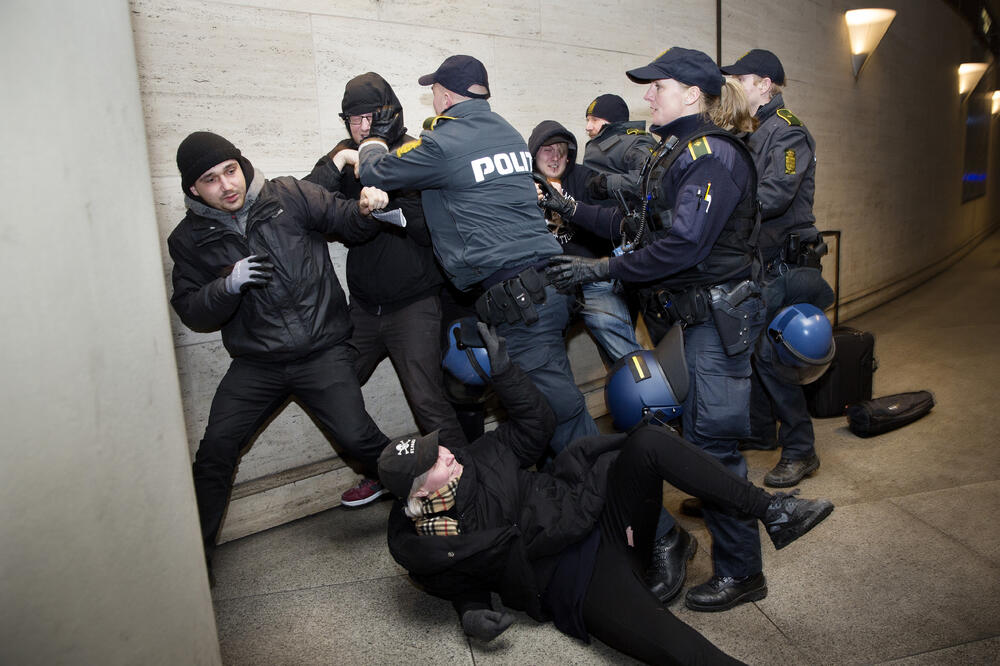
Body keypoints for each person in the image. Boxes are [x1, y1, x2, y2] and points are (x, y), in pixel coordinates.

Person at [379, 322, 834, 665]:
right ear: (419, 490)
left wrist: (505, 373)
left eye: (437, 447)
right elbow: (461, 576)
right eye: (434, 461)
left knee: (648, 442)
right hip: (573, 577)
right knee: (672, 644)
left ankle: (774, 510)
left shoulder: (481, 456)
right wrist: (471, 613)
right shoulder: (432, 540)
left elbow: (537, 424)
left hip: (599, 513)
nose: (446, 454)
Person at [541, 47, 772, 612]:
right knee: (698, 439)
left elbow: (684, 244)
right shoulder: (676, 152)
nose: (647, 97)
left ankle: (743, 572)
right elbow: (636, 225)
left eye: (657, 87)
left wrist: (603, 268)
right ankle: (726, 531)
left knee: (714, 447)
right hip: (690, 321)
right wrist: (567, 206)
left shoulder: (712, 156)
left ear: (692, 94)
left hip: (715, 321)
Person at [168, 131, 391, 572]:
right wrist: (225, 287)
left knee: (359, 438)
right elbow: (193, 309)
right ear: (194, 189)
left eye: (230, 171)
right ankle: (192, 568)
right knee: (216, 450)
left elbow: (346, 219)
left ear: (242, 164)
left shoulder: (287, 194)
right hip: (257, 363)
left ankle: (435, 492)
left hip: (321, 350)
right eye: (211, 180)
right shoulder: (188, 239)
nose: (227, 185)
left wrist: (367, 207)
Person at [356, 54, 599, 457]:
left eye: (433, 90)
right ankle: (570, 496)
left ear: (447, 96)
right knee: (540, 409)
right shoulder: (506, 132)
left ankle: (636, 516)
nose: (433, 98)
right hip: (548, 287)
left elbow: (375, 172)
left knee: (561, 416)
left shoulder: (445, 142)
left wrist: (372, 141)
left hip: (522, 300)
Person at [304, 72, 467, 507]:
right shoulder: (347, 156)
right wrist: (335, 163)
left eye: (369, 117)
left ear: (389, 113)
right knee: (330, 386)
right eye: (353, 119)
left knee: (429, 404)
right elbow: (301, 208)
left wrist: (387, 204)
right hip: (363, 310)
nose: (361, 128)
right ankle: (383, 472)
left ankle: (471, 488)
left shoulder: (414, 151)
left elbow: (431, 228)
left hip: (414, 304)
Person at [721, 49, 829, 487]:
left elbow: (775, 195)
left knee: (774, 357)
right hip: (764, 262)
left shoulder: (787, 133)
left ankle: (802, 450)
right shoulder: (755, 132)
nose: (734, 88)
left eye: (741, 80)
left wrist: (722, 214)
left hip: (787, 264)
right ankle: (763, 432)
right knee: (754, 350)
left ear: (764, 84)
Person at [527, 120, 641, 363]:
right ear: (534, 154)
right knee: (542, 353)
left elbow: (614, 226)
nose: (555, 157)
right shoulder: (521, 187)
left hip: (592, 278)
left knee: (627, 354)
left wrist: (571, 207)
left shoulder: (585, 178)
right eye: (548, 149)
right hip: (549, 284)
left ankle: (646, 393)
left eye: (561, 150)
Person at [581, 93, 657, 203]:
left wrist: (606, 184)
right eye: (587, 120)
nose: (588, 127)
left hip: (619, 217)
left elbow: (648, 180)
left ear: (613, 121)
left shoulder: (637, 142)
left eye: (594, 120)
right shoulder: (598, 144)